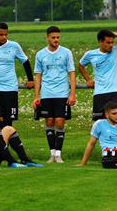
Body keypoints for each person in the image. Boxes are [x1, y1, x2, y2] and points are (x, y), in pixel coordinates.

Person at [33, 26, 77, 163]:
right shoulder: (40, 54)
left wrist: (72, 94)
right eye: (53, 37)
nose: (56, 40)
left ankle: (58, 153)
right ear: (47, 38)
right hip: (47, 94)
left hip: (62, 93)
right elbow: (38, 76)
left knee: (59, 122)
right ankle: (51, 153)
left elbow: (72, 73)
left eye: (58, 37)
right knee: (49, 121)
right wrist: (36, 97)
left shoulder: (66, 53)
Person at [78, 29, 117, 120]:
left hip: (116, 92)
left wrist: (115, 34)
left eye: (112, 42)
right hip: (100, 93)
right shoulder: (90, 54)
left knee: (116, 120)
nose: (111, 45)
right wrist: (88, 79)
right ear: (101, 42)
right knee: (100, 123)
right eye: (108, 43)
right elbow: (80, 66)